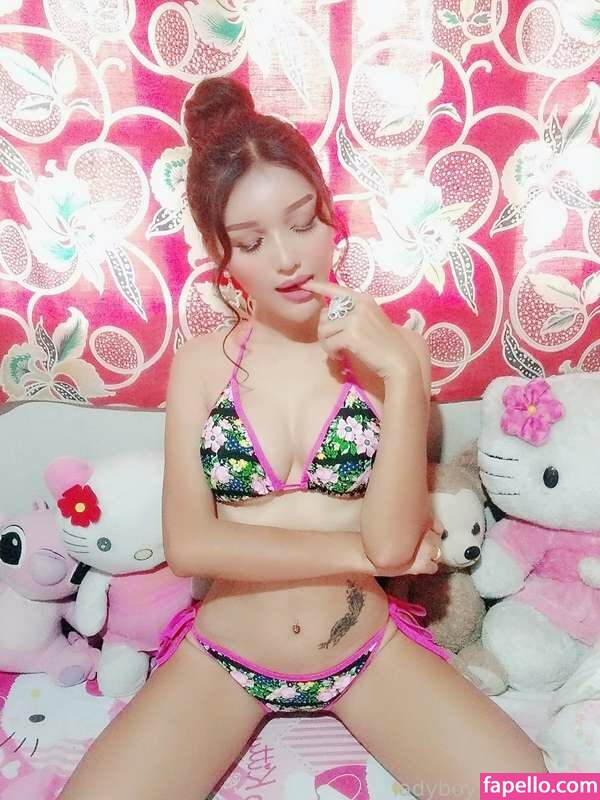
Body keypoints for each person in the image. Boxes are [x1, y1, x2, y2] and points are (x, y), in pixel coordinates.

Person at [58, 77, 547, 800]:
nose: (287, 258)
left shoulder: (395, 354)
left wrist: (401, 376)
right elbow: (189, 545)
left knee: (531, 790)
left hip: (363, 650)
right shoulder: (200, 365)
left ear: (330, 217)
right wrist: (351, 553)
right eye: (253, 242)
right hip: (224, 657)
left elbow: (392, 548)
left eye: (302, 222)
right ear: (223, 257)